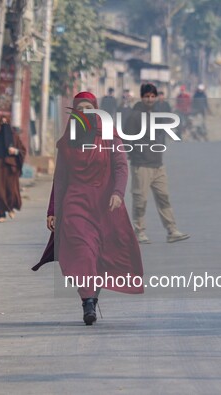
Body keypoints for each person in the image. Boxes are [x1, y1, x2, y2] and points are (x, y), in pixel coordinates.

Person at [33, 92, 143, 325]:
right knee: (82, 251)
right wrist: (53, 210)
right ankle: (88, 302)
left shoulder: (109, 135)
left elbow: (121, 166)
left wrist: (117, 193)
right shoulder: (67, 141)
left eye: (88, 107)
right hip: (76, 203)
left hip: (105, 204)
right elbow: (60, 178)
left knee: (101, 256)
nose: (84, 112)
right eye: (79, 108)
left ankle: (91, 292)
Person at [126, 84, 189, 244]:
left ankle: (172, 230)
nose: (150, 99)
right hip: (141, 165)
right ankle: (139, 232)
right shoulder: (134, 116)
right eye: (147, 96)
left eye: (152, 96)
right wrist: (136, 154)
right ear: (142, 97)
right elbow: (126, 139)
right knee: (140, 200)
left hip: (158, 164)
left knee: (163, 197)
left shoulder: (157, 114)